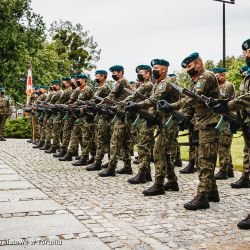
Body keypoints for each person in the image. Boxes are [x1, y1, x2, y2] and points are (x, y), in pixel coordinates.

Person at [163, 52, 220, 210]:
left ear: (199, 64)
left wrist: (172, 106)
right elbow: (190, 106)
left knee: (205, 160)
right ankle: (212, 192)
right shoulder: (194, 81)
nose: (187, 70)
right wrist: (183, 118)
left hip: (209, 123)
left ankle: (202, 197)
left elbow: (192, 98)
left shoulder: (206, 77)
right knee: (204, 159)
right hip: (200, 123)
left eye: (189, 66)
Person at [127, 59, 180, 196]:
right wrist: (152, 118)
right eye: (153, 68)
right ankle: (172, 181)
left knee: (158, 151)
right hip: (163, 122)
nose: (154, 70)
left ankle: (159, 184)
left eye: (156, 67)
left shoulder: (166, 83)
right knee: (165, 153)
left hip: (169, 122)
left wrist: (137, 105)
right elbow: (155, 104)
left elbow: (153, 100)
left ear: (164, 70)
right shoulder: (158, 84)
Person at [98, 65, 132, 177]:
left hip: (122, 115)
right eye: (112, 72)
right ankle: (127, 167)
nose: (113, 74)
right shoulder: (123, 82)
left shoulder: (121, 82)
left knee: (115, 141)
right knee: (124, 143)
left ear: (121, 72)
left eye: (115, 72)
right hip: (125, 115)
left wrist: (99, 104)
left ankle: (111, 168)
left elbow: (111, 96)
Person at [127, 64, 154, 184]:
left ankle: (142, 173)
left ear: (148, 74)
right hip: (142, 117)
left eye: (141, 73)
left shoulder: (148, 85)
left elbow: (134, 96)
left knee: (143, 146)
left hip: (146, 117)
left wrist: (123, 102)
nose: (139, 75)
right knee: (142, 144)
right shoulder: (143, 85)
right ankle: (146, 173)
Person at [212, 68, 235, 179]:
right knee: (224, 145)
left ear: (222, 75)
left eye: (217, 76)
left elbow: (223, 100)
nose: (215, 78)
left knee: (223, 145)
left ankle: (223, 171)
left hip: (226, 118)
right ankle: (229, 169)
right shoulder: (218, 86)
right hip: (222, 118)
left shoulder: (227, 85)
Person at [85, 70, 111, 170]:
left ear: (103, 77)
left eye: (98, 76)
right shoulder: (99, 87)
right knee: (104, 139)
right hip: (101, 115)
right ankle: (104, 160)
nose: (96, 78)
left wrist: (87, 104)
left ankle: (98, 162)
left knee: (101, 139)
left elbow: (94, 100)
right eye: (96, 76)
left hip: (104, 116)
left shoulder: (104, 87)